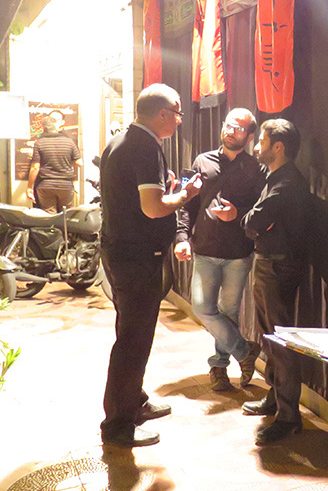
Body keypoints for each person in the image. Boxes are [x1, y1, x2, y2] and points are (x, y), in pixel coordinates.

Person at [99, 83, 203, 448]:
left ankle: (134, 402)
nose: (178, 121)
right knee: (133, 340)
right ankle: (118, 426)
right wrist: (185, 195)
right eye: (177, 114)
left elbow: (140, 198)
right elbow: (153, 208)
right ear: (162, 114)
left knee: (129, 332)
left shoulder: (121, 140)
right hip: (136, 258)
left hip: (118, 252)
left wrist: (167, 189)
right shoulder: (144, 146)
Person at [174, 108, 266, 392]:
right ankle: (245, 351)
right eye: (228, 125)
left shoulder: (256, 168)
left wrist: (237, 214)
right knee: (202, 307)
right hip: (204, 249)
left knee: (229, 312)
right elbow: (188, 203)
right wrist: (181, 237)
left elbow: (262, 212)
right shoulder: (203, 160)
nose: (230, 131)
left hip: (238, 253)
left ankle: (218, 367)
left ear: (249, 136)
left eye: (238, 128)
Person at [240, 118, 318, 445]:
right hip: (271, 264)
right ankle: (275, 400)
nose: (256, 147)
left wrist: (252, 221)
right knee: (270, 337)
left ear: (278, 147)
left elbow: (252, 221)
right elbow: (257, 222)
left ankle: (288, 416)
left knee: (278, 340)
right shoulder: (276, 178)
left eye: (261, 141)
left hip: (276, 267)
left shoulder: (286, 183)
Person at [27, 109, 83, 212]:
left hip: (46, 185)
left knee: (49, 216)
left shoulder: (40, 143)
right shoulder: (69, 141)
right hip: (65, 185)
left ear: (44, 128)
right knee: (65, 216)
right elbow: (79, 163)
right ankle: (64, 228)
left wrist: (29, 187)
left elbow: (35, 167)